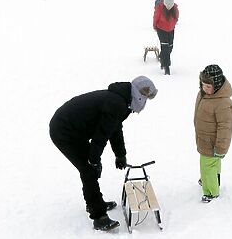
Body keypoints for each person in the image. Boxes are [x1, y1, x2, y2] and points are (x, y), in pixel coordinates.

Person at [49, 76, 157, 231]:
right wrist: (94, 160)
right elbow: (101, 136)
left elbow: (114, 129)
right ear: (138, 95)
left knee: (89, 169)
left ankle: (95, 203)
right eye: (145, 98)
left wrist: (120, 154)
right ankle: (99, 216)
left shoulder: (120, 100)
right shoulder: (117, 104)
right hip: (64, 131)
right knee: (88, 171)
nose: (145, 103)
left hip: (75, 129)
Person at [194, 65, 232, 203]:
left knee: (207, 165)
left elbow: (225, 128)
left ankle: (211, 192)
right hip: (204, 138)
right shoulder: (202, 94)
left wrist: (221, 147)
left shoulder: (223, 103)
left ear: (217, 85)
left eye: (209, 86)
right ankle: (212, 180)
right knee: (213, 164)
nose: (205, 88)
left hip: (213, 142)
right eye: (203, 85)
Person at [153, 0, 179, 75]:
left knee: (170, 47)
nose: (168, 6)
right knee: (165, 47)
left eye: (170, 5)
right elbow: (155, 17)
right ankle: (166, 67)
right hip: (161, 29)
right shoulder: (160, 8)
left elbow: (176, 18)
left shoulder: (175, 9)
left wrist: (172, 25)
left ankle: (162, 57)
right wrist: (155, 26)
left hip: (171, 30)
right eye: (167, 5)